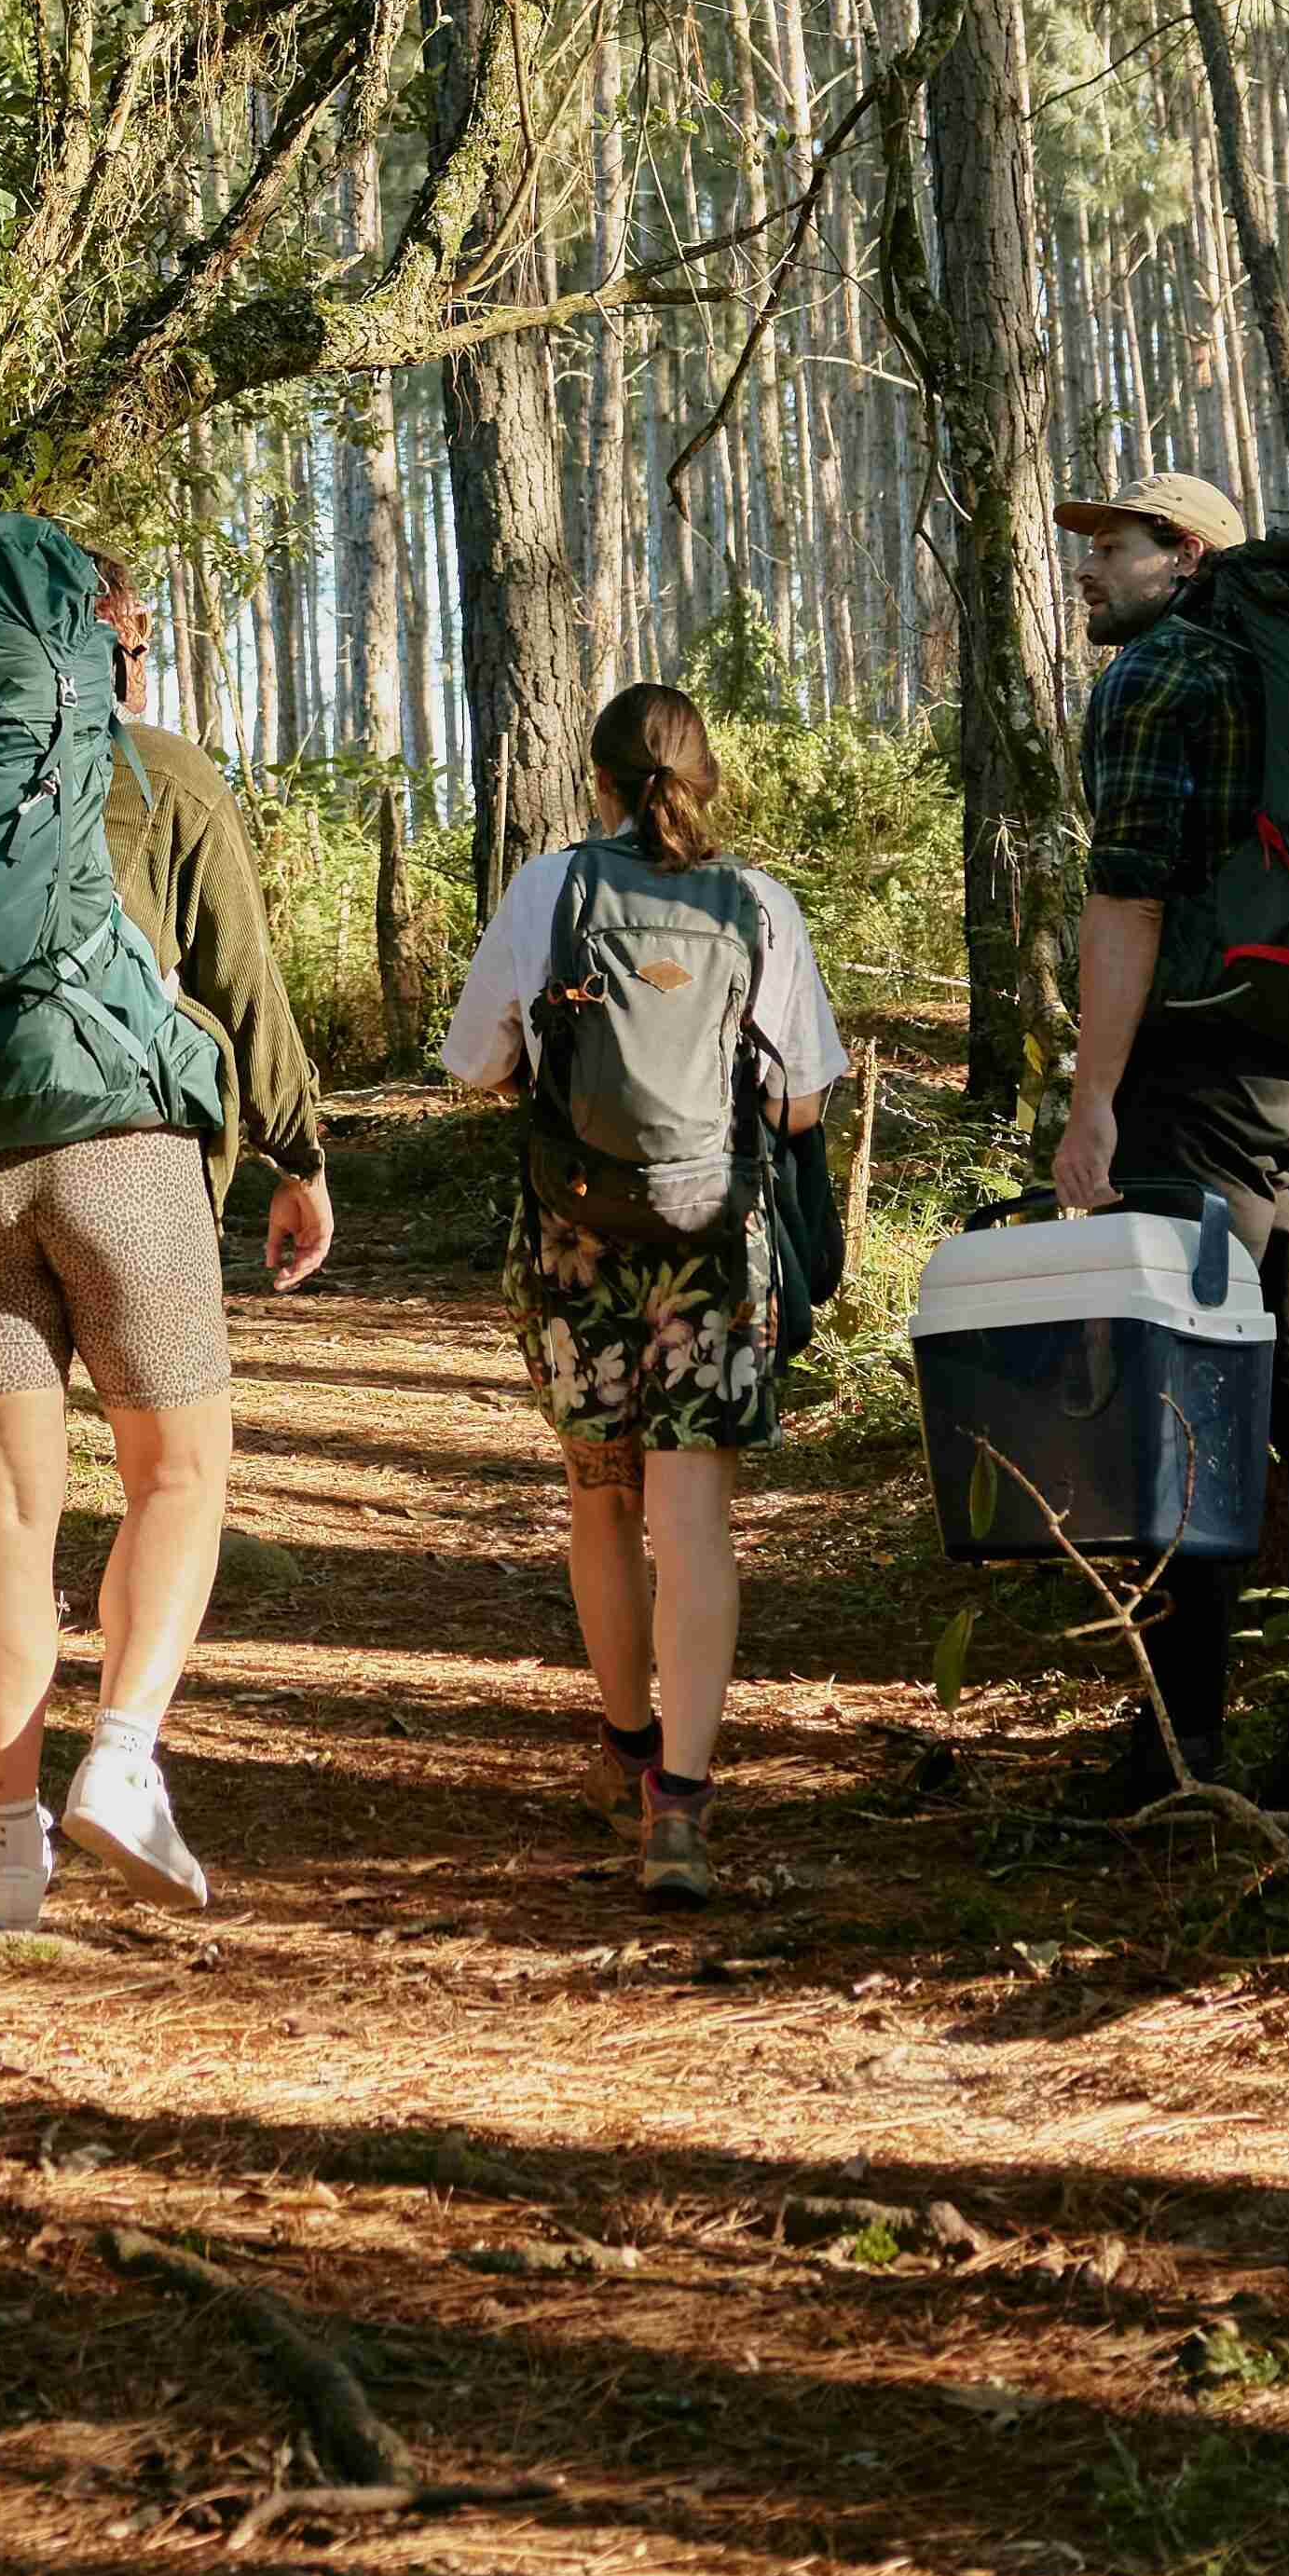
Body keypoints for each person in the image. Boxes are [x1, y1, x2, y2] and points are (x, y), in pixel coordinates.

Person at [0, 550, 336, 1927]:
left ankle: (6, 1847)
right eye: (142, 636)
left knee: (4, 1507)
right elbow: (242, 972)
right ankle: (118, 1763)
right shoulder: (161, 770)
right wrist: (299, 1149)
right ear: (104, 642)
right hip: (126, 1158)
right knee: (180, 1471)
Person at [439, 680, 853, 1906]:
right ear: (706, 778)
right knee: (694, 1522)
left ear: (601, 782)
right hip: (716, 1246)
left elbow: (475, 1063)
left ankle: (622, 1753)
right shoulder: (757, 904)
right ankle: (681, 1801)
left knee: (599, 1497)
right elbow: (800, 1100)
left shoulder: (547, 893)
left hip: (574, 1238)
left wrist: (560, 1089)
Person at [1049, 466, 1289, 1816]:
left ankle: (1182, 1748)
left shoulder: (1160, 680)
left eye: (1112, 546)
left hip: (1192, 1087)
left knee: (1185, 1401)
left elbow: (1127, 903)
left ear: (1184, 558)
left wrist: (1095, 1106)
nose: (1087, 569)